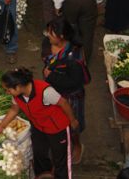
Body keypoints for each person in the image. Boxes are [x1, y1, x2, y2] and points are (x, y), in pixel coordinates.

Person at [0, 68, 78, 179]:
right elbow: (14, 110)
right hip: (39, 126)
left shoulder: (45, 91)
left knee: (60, 159)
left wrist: (72, 120)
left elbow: (63, 103)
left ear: (18, 86)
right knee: (39, 153)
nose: (7, 92)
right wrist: (2, 125)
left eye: (8, 89)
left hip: (57, 128)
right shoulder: (17, 95)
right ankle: (43, 175)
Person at [42, 17, 90, 164]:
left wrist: (51, 76)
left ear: (61, 36)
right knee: (56, 121)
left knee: (73, 123)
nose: (47, 35)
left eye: (51, 33)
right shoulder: (47, 43)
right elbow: (44, 58)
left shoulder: (74, 57)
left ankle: (77, 145)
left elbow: (74, 82)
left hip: (71, 96)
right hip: (54, 93)